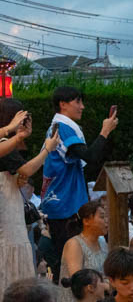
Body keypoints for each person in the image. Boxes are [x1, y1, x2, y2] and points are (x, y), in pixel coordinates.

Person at [40, 86, 119, 260]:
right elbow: (91, 156)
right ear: (63, 104)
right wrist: (105, 131)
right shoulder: (63, 127)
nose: (82, 106)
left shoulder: (58, 126)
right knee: (72, 261)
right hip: (65, 206)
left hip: (61, 203)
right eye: (78, 101)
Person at [0, 101, 59, 298]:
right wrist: (47, 149)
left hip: (11, 214)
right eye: (19, 117)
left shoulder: (8, 144)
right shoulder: (4, 145)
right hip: (7, 220)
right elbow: (27, 169)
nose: (22, 122)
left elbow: (21, 173)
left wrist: (19, 135)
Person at [59, 199, 109, 302]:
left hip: (97, 301)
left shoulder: (102, 242)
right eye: (102, 217)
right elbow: (79, 279)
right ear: (86, 221)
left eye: (107, 217)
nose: (107, 221)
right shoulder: (74, 244)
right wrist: (106, 286)